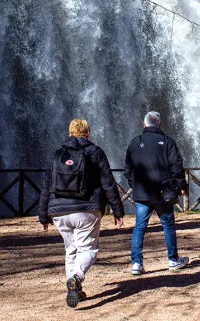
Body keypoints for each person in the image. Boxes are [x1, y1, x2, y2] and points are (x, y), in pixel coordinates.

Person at [38, 119, 125, 308]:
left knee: (71, 250)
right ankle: (76, 278)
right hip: (86, 209)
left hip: (59, 212)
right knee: (88, 250)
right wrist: (118, 210)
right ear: (87, 133)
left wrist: (43, 214)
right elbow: (108, 184)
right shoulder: (95, 152)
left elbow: (46, 186)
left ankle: (74, 288)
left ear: (70, 133)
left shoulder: (57, 154)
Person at [123, 111, 189, 275]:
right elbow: (176, 167)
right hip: (163, 193)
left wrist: (136, 186)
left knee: (139, 227)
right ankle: (173, 260)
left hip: (142, 194)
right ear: (159, 125)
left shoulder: (134, 143)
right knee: (168, 226)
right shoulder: (167, 141)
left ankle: (136, 264)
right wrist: (180, 186)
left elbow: (127, 171)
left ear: (144, 124)